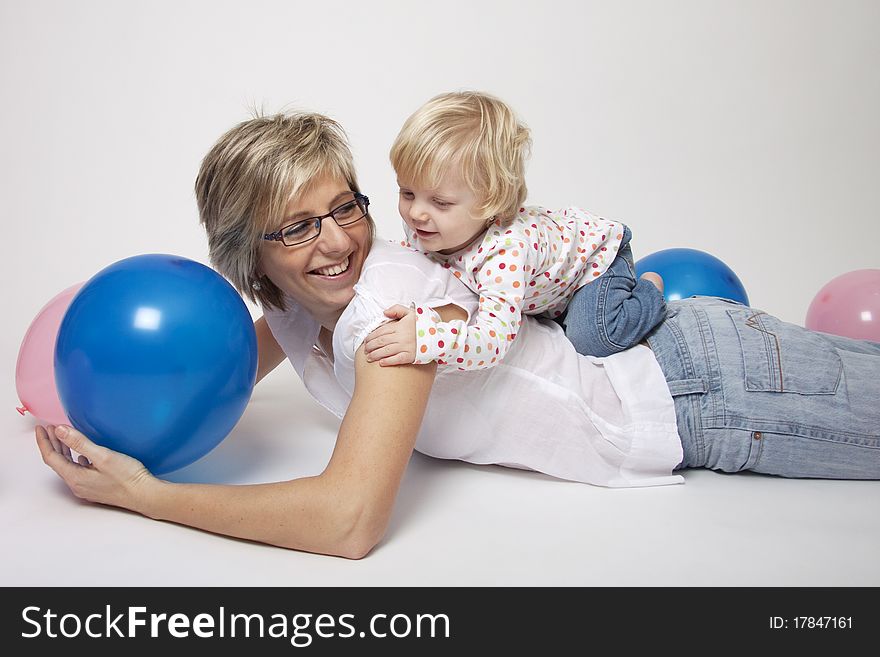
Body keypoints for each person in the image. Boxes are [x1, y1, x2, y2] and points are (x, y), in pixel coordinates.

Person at [36, 111, 880, 560]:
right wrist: (76, 411)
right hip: (687, 382)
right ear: (247, 256)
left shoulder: (387, 309)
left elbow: (349, 520)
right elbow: (201, 364)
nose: (336, 241)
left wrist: (147, 496)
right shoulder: (295, 308)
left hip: (708, 389)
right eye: (295, 227)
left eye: (344, 207)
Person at [363, 90, 666, 370]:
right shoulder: (426, 224)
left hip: (594, 264)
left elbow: (493, 344)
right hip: (548, 285)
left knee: (591, 339)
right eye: (407, 193)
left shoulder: (504, 252)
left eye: (440, 202)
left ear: (490, 203)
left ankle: (650, 289)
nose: (416, 213)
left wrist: (431, 340)